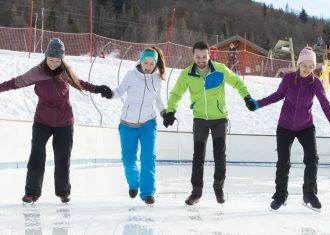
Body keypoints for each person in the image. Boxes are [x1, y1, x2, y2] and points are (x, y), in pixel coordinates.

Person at [0, 38, 113, 204]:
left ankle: (63, 192)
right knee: (36, 155)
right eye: (51, 59)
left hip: (64, 123)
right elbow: (15, 82)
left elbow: (81, 84)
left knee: (62, 158)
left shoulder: (65, 73)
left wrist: (98, 89)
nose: (53, 63)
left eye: (57, 60)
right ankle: (31, 192)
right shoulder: (37, 72)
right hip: (42, 121)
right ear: (46, 57)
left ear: (62, 60)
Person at [248, 47, 330, 211]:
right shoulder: (288, 79)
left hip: (306, 127)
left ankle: (309, 195)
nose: (307, 69)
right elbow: (277, 95)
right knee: (283, 162)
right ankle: (280, 196)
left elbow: (327, 107)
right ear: (299, 63)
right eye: (305, 65)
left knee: (312, 160)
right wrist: (258, 103)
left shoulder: (315, 83)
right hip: (285, 126)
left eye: (311, 66)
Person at [163, 41, 256, 205]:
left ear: (209, 55)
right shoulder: (187, 74)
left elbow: (237, 82)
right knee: (198, 156)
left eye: (204, 56)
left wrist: (246, 97)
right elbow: (176, 92)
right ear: (193, 56)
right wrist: (170, 110)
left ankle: (218, 189)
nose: (201, 60)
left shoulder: (219, 69)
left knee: (220, 155)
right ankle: (196, 192)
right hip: (200, 119)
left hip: (219, 118)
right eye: (197, 56)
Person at [110, 47, 166, 205]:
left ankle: (148, 193)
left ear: (155, 64)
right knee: (128, 160)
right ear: (141, 61)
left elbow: (159, 100)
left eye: (151, 63)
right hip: (127, 124)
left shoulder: (157, 79)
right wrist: (109, 93)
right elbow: (119, 92)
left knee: (148, 158)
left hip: (148, 124)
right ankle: (134, 183)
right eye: (145, 62)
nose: (148, 66)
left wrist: (164, 113)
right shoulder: (131, 75)